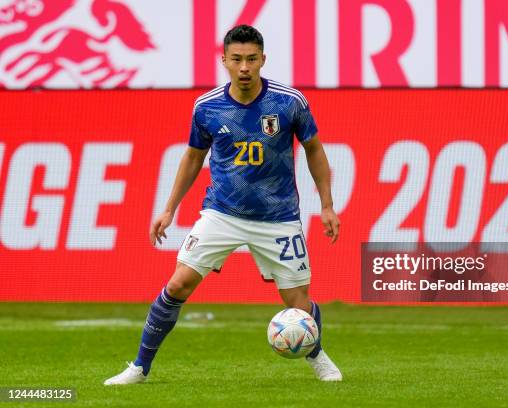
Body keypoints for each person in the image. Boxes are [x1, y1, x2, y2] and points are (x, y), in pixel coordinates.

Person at [104, 24, 342, 385]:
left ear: (263, 59)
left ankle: (317, 356)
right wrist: (169, 208)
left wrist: (326, 205)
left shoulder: (289, 102)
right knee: (179, 284)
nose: (244, 67)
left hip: (278, 217)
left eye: (251, 59)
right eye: (236, 60)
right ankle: (139, 367)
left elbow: (315, 150)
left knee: (297, 301)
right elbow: (192, 158)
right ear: (224, 61)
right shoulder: (207, 106)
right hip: (222, 212)